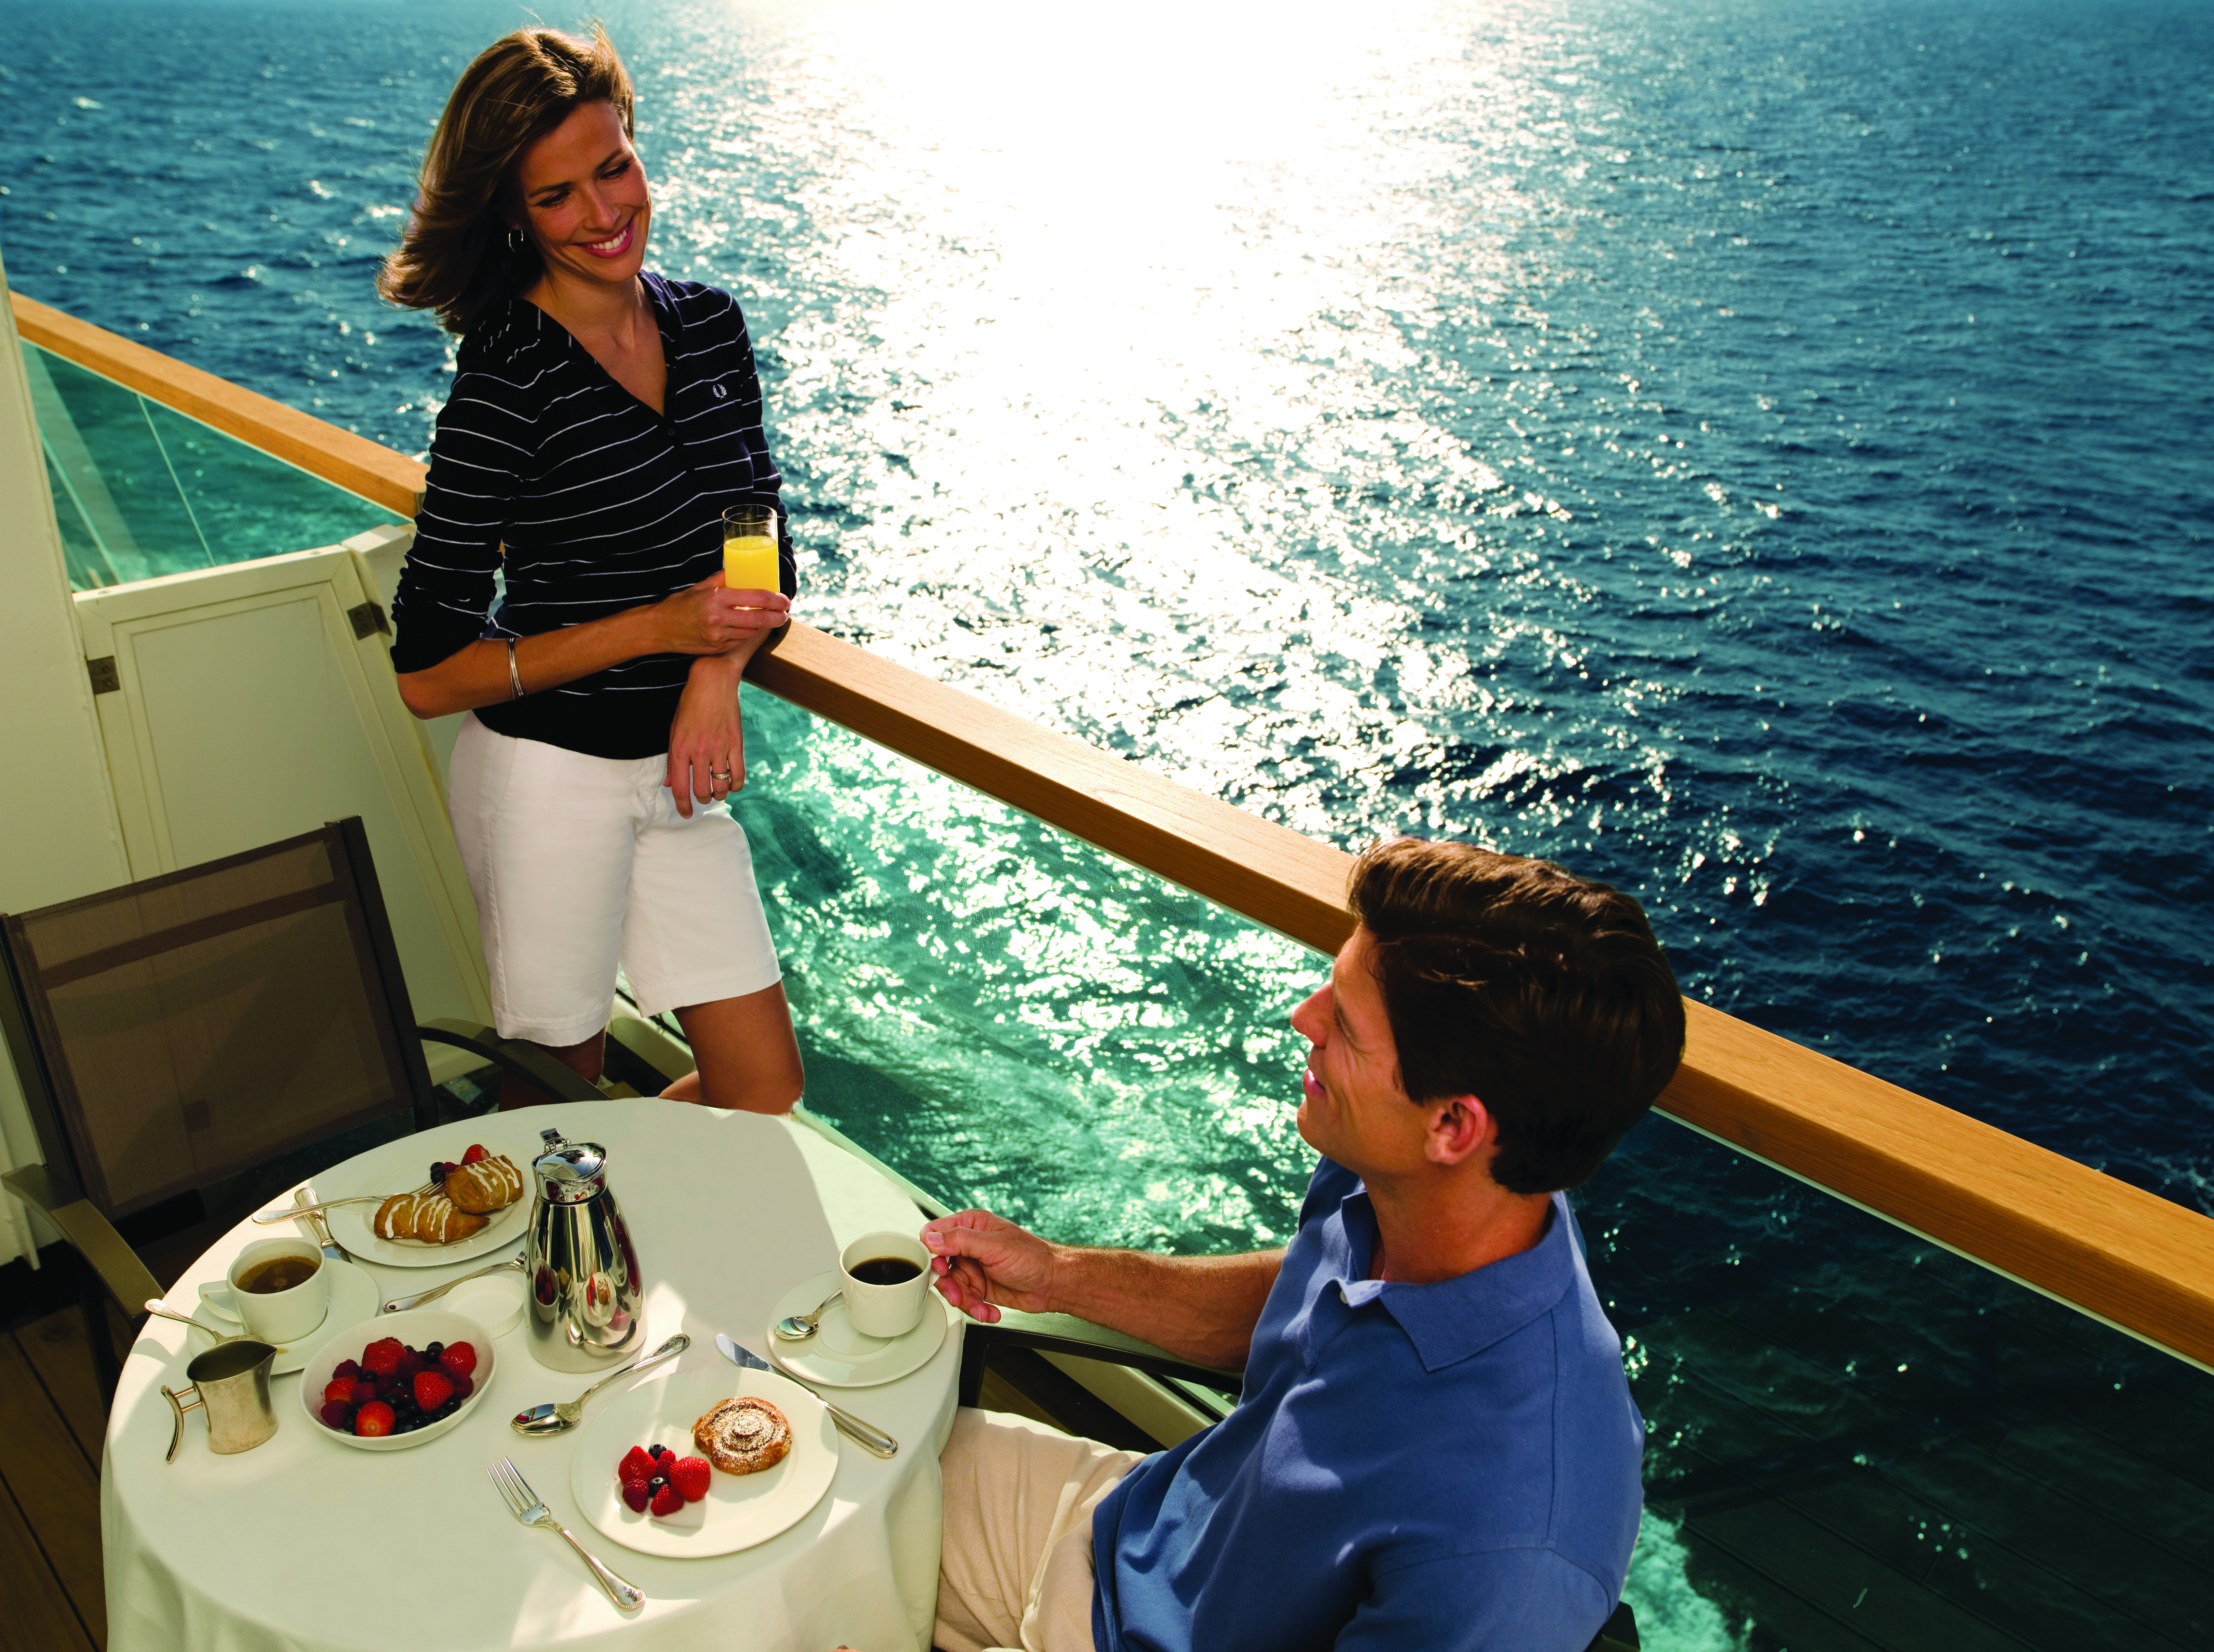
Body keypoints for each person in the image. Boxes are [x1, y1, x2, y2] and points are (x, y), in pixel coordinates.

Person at [919, 836, 1686, 1652]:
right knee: (834, 1454)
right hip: (1129, 1531)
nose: (1304, 1018)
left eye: (1344, 1024)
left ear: (1452, 1123)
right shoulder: (1404, 1173)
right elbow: (1299, 1301)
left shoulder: (1509, 1549)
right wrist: (1059, 1276)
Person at [379, 26, 804, 1113]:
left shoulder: (708, 325)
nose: (604, 212)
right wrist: (662, 630)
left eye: (614, 168)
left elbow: (763, 545)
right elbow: (426, 672)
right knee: (555, 1102)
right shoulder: (508, 378)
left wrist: (713, 675)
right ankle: (559, 1222)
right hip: (548, 781)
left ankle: (626, 1200)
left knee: (760, 1090)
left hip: (678, 772)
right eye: (557, 196)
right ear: (514, 215)